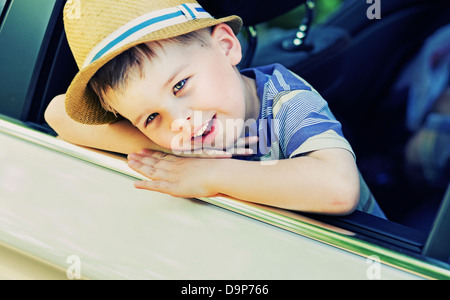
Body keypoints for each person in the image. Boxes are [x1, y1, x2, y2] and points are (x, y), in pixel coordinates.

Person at [45, 0, 385, 217]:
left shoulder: (286, 100)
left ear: (225, 46)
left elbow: (339, 189)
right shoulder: (185, 131)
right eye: (151, 117)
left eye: (180, 85)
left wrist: (209, 173)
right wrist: (172, 149)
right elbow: (57, 114)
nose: (181, 123)